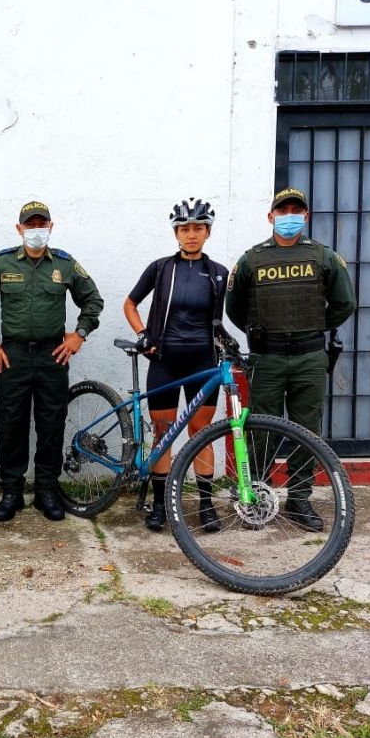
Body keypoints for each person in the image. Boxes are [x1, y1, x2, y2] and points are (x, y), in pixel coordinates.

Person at [0, 200, 104, 522]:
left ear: (50, 227)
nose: (36, 230)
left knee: (51, 424)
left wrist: (79, 334)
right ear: (19, 228)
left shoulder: (66, 265)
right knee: (11, 424)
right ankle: (11, 491)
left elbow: (93, 300)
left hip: (53, 356)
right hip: (12, 358)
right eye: (30, 224)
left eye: (42, 224)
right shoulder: (3, 263)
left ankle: (46, 491)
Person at [225, 187, 357, 531]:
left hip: (310, 357)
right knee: (261, 430)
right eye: (282, 211)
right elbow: (234, 307)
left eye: (295, 211)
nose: (289, 217)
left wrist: (313, 328)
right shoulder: (251, 259)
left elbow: (345, 303)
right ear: (271, 217)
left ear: (306, 216)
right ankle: (255, 496)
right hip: (266, 357)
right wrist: (261, 333)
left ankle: (300, 498)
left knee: (306, 430)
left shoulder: (323, 257)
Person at [123, 198, 229, 533]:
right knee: (164, 434)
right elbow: (130, 303)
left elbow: (219, 321)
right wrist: (142, 334)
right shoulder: (160, 268)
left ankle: (206, 506)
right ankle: (160, 504)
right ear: (176, 233)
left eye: (198, 228)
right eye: (185, 228)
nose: (191, 234)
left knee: (202, 433)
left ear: (208, 232)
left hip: (203, 362)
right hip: (164, 361)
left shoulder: (219, 274)